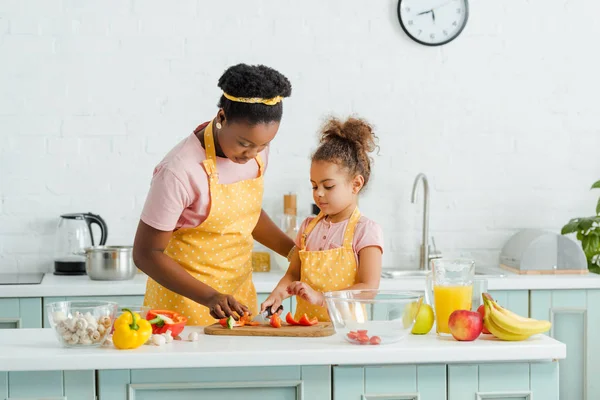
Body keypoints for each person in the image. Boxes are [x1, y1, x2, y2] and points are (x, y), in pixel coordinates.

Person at [133, 63, 295, 326]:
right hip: (181, 308)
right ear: (221, 118)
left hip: (238, 300)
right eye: (244, 143)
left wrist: (292, 251)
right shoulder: (178, 171)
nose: (253, 154)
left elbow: (247, 213)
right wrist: (210, 297)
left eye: (264, 145)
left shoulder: (255, 153)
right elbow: (146, 253)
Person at [261, 117, 383, 321]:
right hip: (306, 330)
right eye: (314, 185)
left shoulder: (365, 230)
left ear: (356, 184)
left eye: (328, 186)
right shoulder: (308, 228)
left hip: (346, 334)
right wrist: (278, 294)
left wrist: (322, 299)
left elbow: (369, 288)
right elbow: (293, 275)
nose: (318, 193)